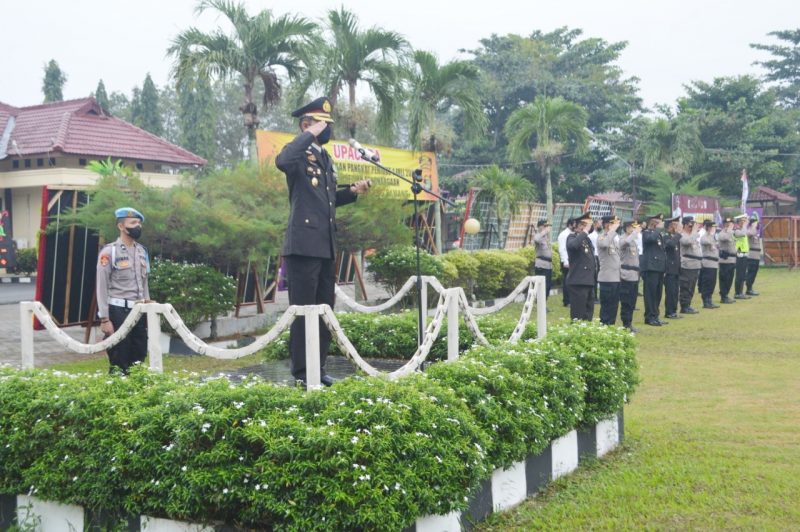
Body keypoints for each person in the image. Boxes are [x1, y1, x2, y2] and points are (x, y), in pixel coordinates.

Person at [276, 96, 372, 387]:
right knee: (304, 314)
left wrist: (352, 192)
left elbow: (327, 201)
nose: (329, 129)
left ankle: (319, 367)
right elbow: (282, 161)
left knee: (324, 313)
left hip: (325, 246)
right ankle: (302, 373)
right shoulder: (297, 153)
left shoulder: (325, 159)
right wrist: (308, 134)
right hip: (303, 248)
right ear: (308, 125)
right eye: (323, 124)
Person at [96, 207, 150, 374]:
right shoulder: (109, 252)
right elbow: (101, 286)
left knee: (139, 356)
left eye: (139, 223)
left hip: (139, 310)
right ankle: (117, 396)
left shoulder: (142, 251)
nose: (137, 226)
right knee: (119, 358)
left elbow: (145, 282)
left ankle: (135, 396)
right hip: (118, 311)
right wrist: (105, 319)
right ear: (121, 226)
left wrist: (148, 309)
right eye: (133, 223)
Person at [565, 212, 596, 321]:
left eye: (587, 225)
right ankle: (576, 335)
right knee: (578, 314)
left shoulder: (586, 239)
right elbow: (573, 245)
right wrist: (585, 231)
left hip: (588, 281)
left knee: (588, 312)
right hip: (578, 281)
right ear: (577, 225)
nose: (586, 227)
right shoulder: (571, 237)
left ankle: (586, 334)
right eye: (583, 224)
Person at [640, 213, 667, 326]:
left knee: (658, 293)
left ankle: (655, 315)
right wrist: (658, 229)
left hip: (659, 267)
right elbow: (650, 240)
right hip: (650, 267)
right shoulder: (646, 233)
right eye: (657, 221)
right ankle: (649, 316)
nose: (659, 223)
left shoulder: (658, 234)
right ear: (652, 221)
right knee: (650, 294)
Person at [596, 215, 621, 325]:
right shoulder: (601, 237)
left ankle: (611, 325)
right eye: (613, 223)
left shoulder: (614, 239)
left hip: (616, 277)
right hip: (607, 278)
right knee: (606, 306)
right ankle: (604, 326)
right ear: (607, 224)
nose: (615, 226)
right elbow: (605, 244)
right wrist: (612, 231)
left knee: (614, 305)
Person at [619, 221, 641, 333]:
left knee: (632, 301)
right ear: (627, 228)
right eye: (633, 227)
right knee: (626, 301)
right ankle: (625, 324)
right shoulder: (623, 238)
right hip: (626, 274)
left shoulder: (633, 241)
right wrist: (634, 233)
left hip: (634, 275)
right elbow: (624, 243)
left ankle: (630, 323)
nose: (635, 229)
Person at [678, 216, 702, 315]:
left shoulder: (693, 235)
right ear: (685, 225)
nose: (692, 226)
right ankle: (684, 306)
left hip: (695, 264)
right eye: (690, 224)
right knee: (686, 286)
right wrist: (694, 232)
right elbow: (687, 242)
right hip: (687, 264)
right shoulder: (682, 235)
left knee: (692, 286)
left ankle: (688, 305)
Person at [663, 216, 683, 319]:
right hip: (669, 269)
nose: (677, 227)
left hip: (676, 268)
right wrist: (678, 234)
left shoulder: (674, 236)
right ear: (670, 226)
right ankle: (669, 312)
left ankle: (673, 311)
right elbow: (670, 245)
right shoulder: (666, 236)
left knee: (675, 291)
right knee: (670, 291)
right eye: (675, 225)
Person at [699, 219, 720, 309]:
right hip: (708, 262)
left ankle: (709, 300)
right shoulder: (705, 236)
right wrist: (713, 243)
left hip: (714, 263)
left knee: (712, 282)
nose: (713, 229)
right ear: (708, 228)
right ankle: (706, 301)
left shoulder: (711, 236)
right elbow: (704, 241)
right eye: (711, 227)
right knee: (707, 282)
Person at [717, 216, 737, 304]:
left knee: (730, 279)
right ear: (724, 225)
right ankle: (723, 296)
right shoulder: (722, 233)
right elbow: (723, 238)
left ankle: (726, 295)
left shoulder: (731, 233)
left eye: (731, 224)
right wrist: (728, 230)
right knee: (724, 278)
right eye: (728, 224)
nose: (730, 225)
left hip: (732, 259)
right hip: (725, 260)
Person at [532, 219, 553, 301]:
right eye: (545, 226)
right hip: (541, 265)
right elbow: (536, 239)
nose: (547, 228)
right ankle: (540, 303)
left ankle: (544, 303)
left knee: (547, 286)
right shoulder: (539, 236)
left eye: (547, 226)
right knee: (542, 286)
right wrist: (544, 232)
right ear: (540, 227)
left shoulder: (545, 238)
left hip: (548, 265)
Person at [557, 218, 574, 307]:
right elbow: (562, 249)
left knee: (571, 281)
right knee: (567, 281)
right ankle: (567, 301)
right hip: (566, 261)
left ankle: (571, 299)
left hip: (572, 261)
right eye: (574, 224)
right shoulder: (563, 235)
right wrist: (565, 261)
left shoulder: (572, 234)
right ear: (570, 225)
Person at [733, 214, 751, 299]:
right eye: (742, 221)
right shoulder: (736, 230)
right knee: (739, 275)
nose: (744, 223)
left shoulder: (742, 229)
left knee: (743, 275)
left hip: (744, 255)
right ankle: (737, 293)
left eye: (744, 221)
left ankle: (741, 292)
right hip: (739, 255)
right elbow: (743, 234)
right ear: (739, 222)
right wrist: (744, 225)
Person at [745, 214, 761, 296]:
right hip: (751, 256)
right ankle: (749, 289)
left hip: (756, 256)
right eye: (756, 223)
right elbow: (748, 234)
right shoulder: (750, 230)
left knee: (754, 272)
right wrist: (753, 226)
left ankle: (750, 287)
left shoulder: (754, 231)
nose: (758, 224)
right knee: (751, 272)